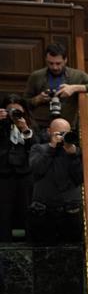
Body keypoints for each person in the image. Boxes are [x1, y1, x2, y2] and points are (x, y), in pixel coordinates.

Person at [23, 43, 88, 128]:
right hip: (41, 126)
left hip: (67, 125)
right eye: (50, 63)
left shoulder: (77, 75)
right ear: (46, 60)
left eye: (58, 63)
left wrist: (75, 88)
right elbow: (24, 103)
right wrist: (38, 99)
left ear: (65, 60)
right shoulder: (36, 76)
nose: (55, 67)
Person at [28, 118, 84, 243]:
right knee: (42, 252)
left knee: (71, 252)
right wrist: (52, 147)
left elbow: (80, 178)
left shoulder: (76, 152)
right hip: (44, 212)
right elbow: (37, 169)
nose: (63, 137)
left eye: (66, 133)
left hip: (70, 212)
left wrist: (73, 156)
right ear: (49, 132)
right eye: (59, 133)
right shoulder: (38, 149)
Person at [0, 96, 35, 241]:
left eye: (18, 111)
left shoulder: (30, 125)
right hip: (2, 175)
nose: (14, 114)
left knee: (27, 212)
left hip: (25, 175)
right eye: (11, 111)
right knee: (3, 215)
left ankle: (29, 247)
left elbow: (35, 148)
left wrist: (25, 129)